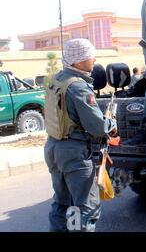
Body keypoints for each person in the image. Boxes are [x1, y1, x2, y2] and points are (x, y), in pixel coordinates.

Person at [44, 39, 117, 232]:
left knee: (62, 204)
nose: (94, 59)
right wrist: (112, 124)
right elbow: (98, 127)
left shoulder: (56, 79)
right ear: (78, 60)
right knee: (85, 208)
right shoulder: (77, 87)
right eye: (90, 55)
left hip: (53, 147)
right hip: (73, 153)